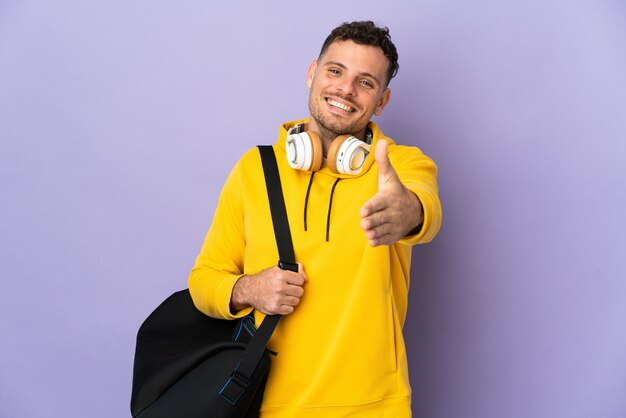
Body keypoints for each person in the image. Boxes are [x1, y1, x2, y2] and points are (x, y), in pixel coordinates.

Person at [189, 20, 442, 417]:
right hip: (268, 405)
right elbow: (203, 280)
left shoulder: (400, 164)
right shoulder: (255, 169)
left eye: (366, 83)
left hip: (375, 407)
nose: (345, 90)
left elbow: (423, 209)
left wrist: (406, 212)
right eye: (335, 71)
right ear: (312, 72)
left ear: (382, 101)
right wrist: (250, 289)